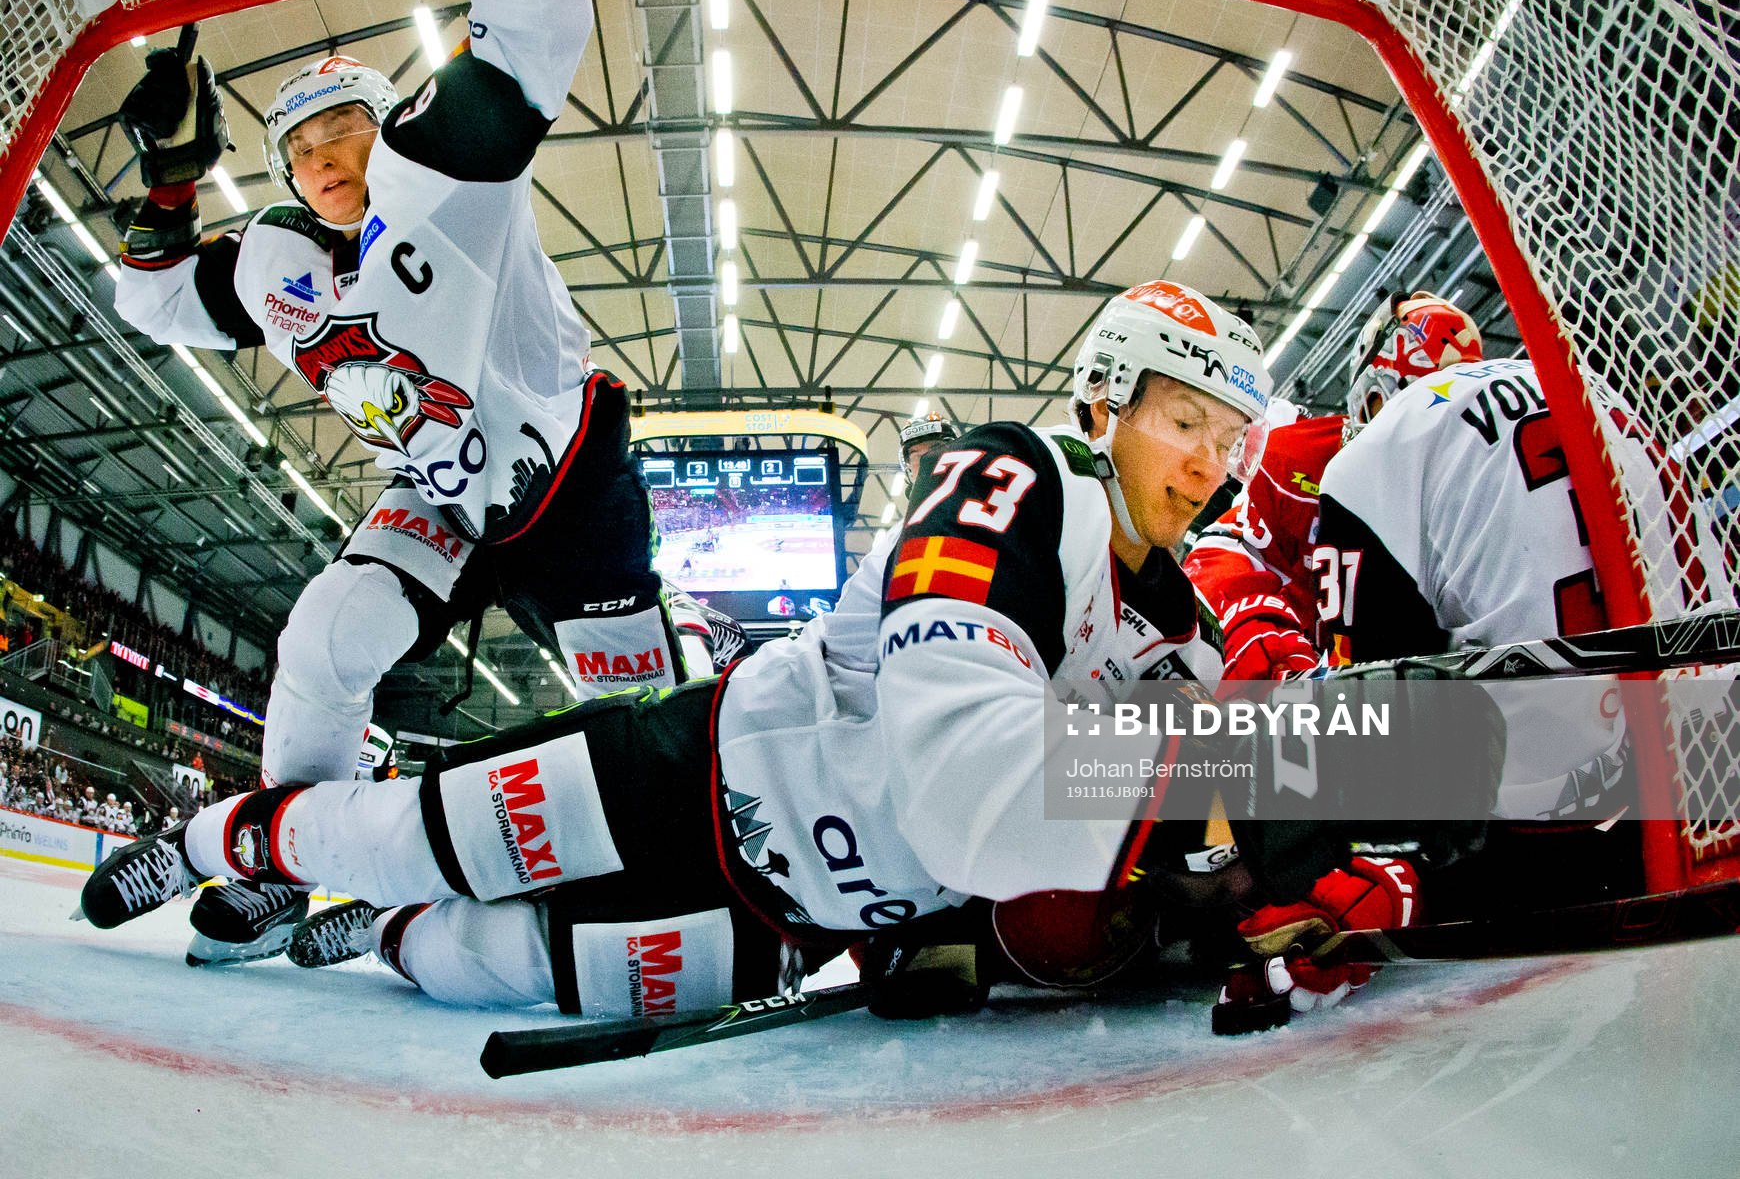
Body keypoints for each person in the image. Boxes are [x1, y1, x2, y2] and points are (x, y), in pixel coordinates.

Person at [78, 279, 1280, 1020]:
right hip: (696, 773)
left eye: (1229, 440)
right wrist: (1335, 768)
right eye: (1183, 420)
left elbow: (1210, 819)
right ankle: (209, 840)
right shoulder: (1018, 478)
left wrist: (1297, 848)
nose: (1206, 465)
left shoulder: (1195, 646)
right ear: (1105, 399)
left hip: (794, 928)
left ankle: (376, 924)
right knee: (415, 832)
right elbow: (972, 783)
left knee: (475, 963)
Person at [111, 0, 688, 964]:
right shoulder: (279, 262)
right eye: (298, 148)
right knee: (327, 636)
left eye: (343, 128)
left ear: (388, 125)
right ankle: (277, 870)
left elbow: (532, 38)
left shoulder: (445, 171)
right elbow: (149, 300)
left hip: (572, 487)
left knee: (640, 720)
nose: (324, 157)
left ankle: (676, 871)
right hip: (444, 494)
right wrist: (172, 174)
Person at [1209, 349, 1701, 1031]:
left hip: (1524, 854)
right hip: (1687, 804)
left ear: (1374, 396)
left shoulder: (1370, 455)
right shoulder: (1596, 391)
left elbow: (1364, 719)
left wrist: (1382, 868)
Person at [1184, 291, 1482, 681]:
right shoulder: (1295, 460)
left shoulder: (1475, 480)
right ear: (1372, 397)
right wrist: (1269, 641)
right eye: (1419, 404)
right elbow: (1219, 555)